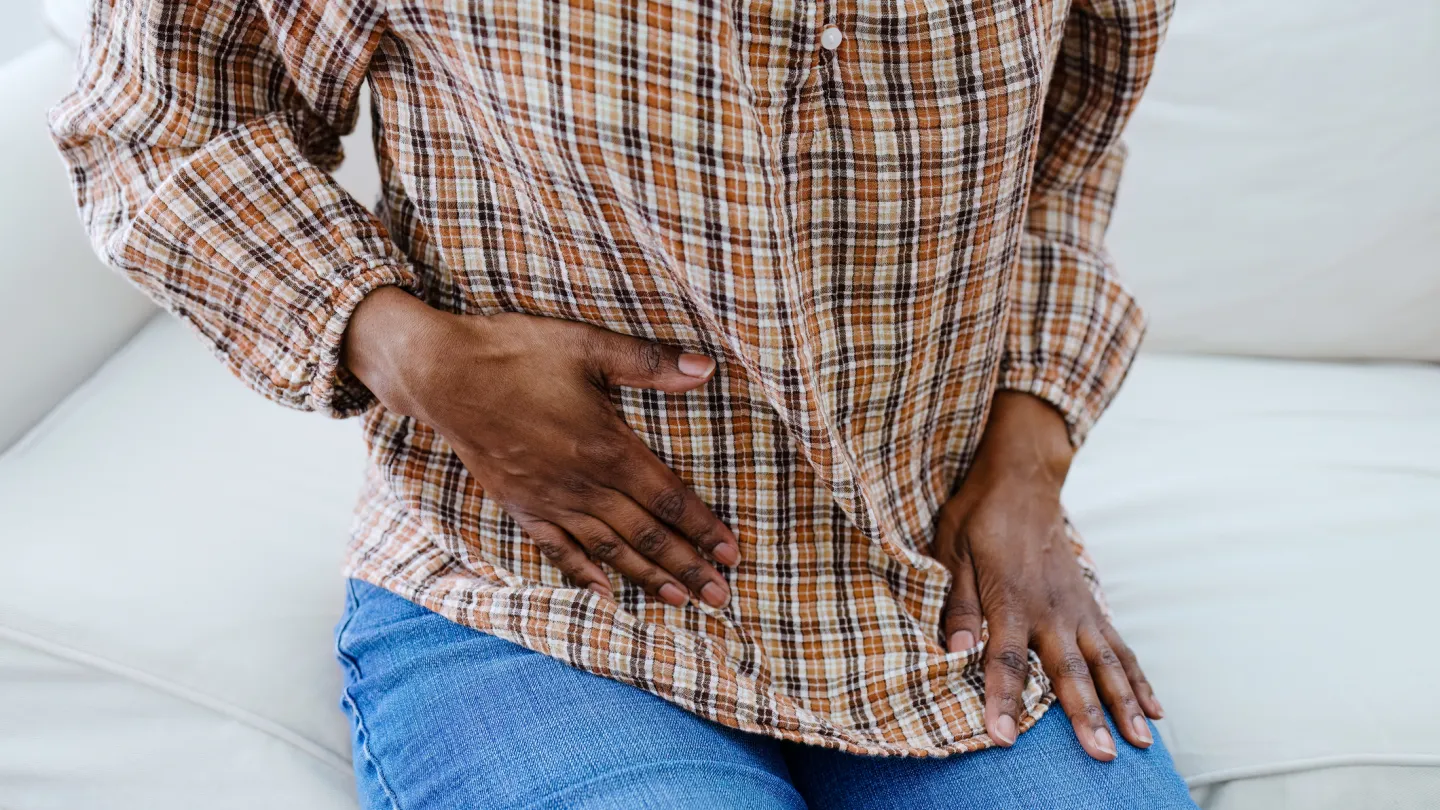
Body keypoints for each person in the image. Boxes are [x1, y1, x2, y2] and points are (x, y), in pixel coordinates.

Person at [51, 0, 1195, 806]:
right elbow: (156, 125)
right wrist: (413, 352)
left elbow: (1069, 168)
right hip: (533, 596)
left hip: (937, 601)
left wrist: (1030, 455)